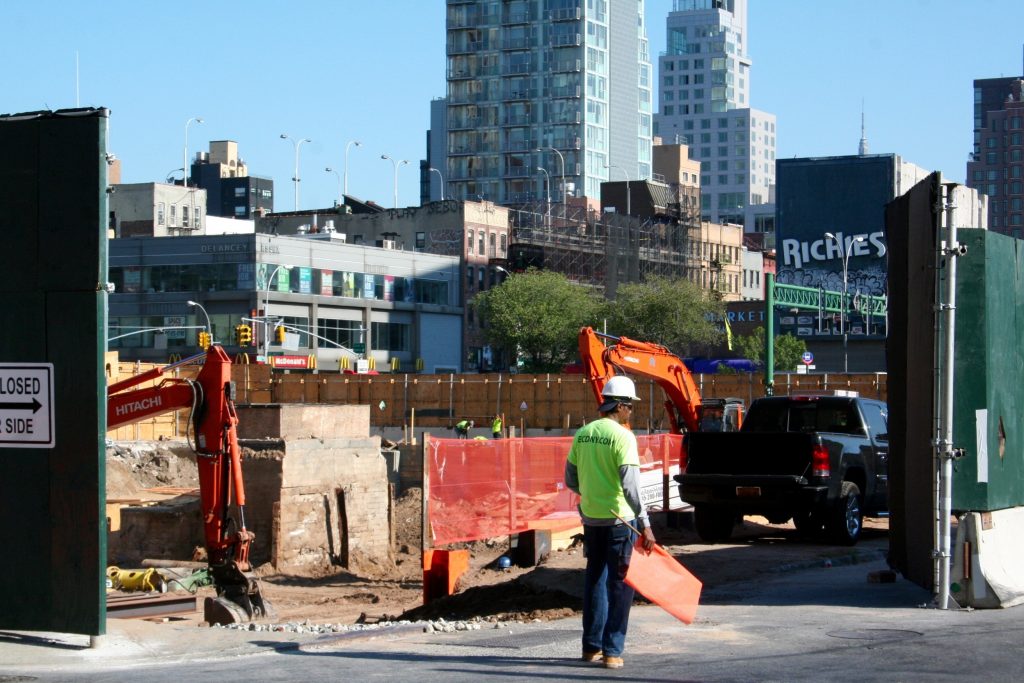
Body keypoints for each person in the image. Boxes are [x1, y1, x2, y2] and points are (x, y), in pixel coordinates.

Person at [565, 375, 656, 670]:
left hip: (592, 519)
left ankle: (590, 647)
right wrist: (646, 525)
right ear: (621, 406)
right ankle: (612, 651)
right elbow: (631, 488)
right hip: (620, 521)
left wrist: (590, 494)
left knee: (595, 579)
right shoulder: (623, 437)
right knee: (619, 585)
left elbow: (570, 478)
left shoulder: (583, 434)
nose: (632, 411)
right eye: (630, 406)